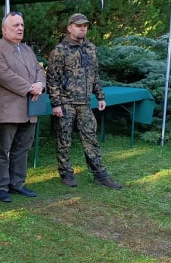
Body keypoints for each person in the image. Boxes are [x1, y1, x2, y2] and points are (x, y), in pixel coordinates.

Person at [46, 13, 122, 189]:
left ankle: (100, 174)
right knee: (64, 140)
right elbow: (52, 79)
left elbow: (94, 74)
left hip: (85, 103)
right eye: (79, 25)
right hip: (66, 103)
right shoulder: (60, 50)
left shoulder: (90, 48)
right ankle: (66, 172)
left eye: (85, 26)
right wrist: (56, 103)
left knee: (91, 138)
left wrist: (100, 96)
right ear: (69, 27)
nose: (82, 28)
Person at [0, 11, 46, 202]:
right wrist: (30, 88)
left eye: (21, 25)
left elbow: (39, 69)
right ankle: (1, 186)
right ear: (4, 30)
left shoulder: (26, 49)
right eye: (15, 25)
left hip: (30, 108)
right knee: (4, 151)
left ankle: (17, 183)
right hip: (9, 109)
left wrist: (40, 84)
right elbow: (3, 75)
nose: (20, 28)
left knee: (23, 149)